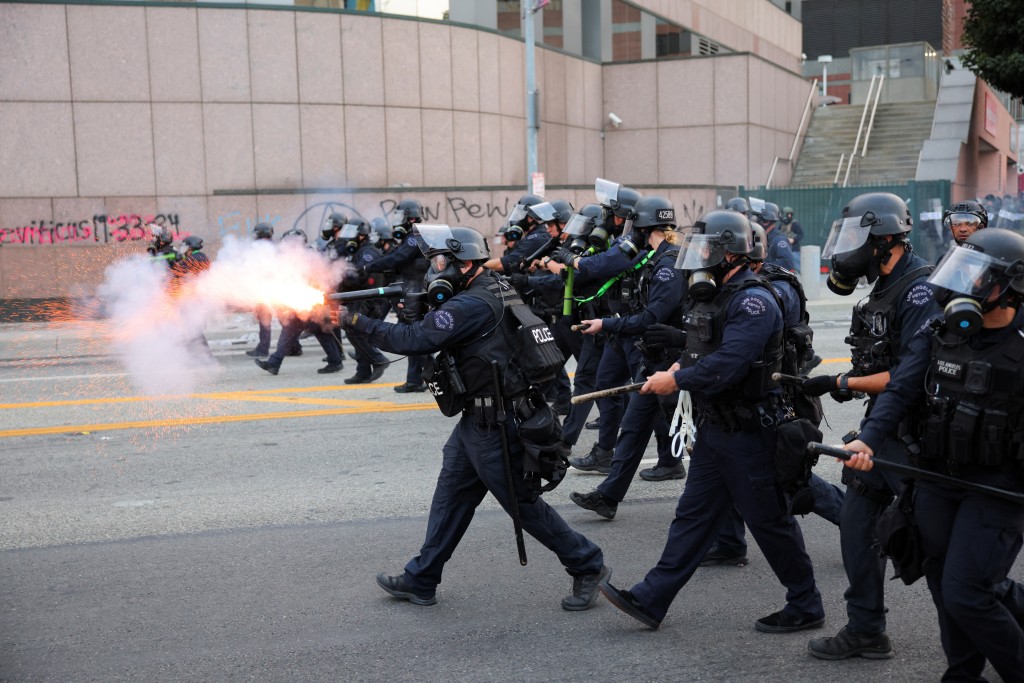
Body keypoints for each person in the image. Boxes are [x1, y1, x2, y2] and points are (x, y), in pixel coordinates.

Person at [337, 225, 609, 610]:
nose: (434, 269)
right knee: (451, 496)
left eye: (440, 262)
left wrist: (353, 321)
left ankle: (587, 564)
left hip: (498, 423)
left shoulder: (471, 304)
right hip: (479, 419)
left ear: (464, 264)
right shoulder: (490, 286)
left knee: (523, 505)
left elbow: (413, 340)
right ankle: (422, 578)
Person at [598, 210, 824, 633]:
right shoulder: (716, 295)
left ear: (730, 254)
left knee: (770, 523)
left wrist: (676, 380)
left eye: (706, 250)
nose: (698, 257)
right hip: (717, 427)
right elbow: (700, 349)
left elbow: (727, 364)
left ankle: (806, 604)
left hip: (752, 432)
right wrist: (676, 366)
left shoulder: (753, 301)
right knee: (693, 517)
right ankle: (651, 598)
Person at [841, 227, 1024, 681]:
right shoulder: (941, 326)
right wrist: (868, 438)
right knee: (943, 584)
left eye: (980, 277)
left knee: (969, 593)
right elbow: (902, 388)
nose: (965, 286)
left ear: (1011, 287)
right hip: (936, 478)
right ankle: (962, 674)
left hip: (998, 488)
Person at [801, 192, 941, 660]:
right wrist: (852, 381)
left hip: (917, 437)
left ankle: (985, 634)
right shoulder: (882, 289)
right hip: (882, 431)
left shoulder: (920, 291)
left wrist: (842, 380)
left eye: (855, 237)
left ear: (884, 240)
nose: (847, 249)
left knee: (937, 547)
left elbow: (910, 376)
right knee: (857, 526)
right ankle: (865, 629)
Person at [700, 223, 843, 567]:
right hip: (739, 393)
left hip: (777, 396)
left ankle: (862, 522)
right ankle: (729, 542)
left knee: (789, 476)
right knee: (727, 465)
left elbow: (746, 336)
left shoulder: (772, 290)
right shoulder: (736, 285)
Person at [568, 196, 686, 521]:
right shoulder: (656, 258)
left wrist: (607, 324)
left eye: (635, 226)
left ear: (645, 227)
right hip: (654, 360)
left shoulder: (668, 266)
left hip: (672, 364)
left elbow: (650, 319)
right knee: (633, 428)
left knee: (700, 441)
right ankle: (608, 497)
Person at [360, 200, 429, 393]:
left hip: (416, 291)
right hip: (411, 290)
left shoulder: (416, 237)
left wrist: (370, 266)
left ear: (411, 218)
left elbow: (398, 258)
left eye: (401, 216)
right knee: (413, 338)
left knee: (413, 338)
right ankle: (419, 379)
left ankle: (421, 378)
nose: (398, 221)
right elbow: (394, 258)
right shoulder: (410, 237)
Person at [337, 219, 388, 384]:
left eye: (351, 233)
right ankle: (363, 372)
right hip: (359, 298)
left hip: (368, 300)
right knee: (357, 332)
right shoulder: (359, 251)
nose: (348, 238)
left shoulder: (368, 253)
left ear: (361, 235)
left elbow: (357, 276)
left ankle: (379, 359)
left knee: (354, 331)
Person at [247, 222, 279, 358]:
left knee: (265, 321)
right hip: (273, 288)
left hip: (266, 290)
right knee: (285, 321)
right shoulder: (274, 247)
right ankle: (293, 346)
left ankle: (263, 349)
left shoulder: (263, 249)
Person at [756, 202, 797, 271]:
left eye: (759, 219)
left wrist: (763, 267)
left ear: (766, 221)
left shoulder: (778, 239)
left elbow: (788, 262)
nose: (757, 221)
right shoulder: (764, 237)